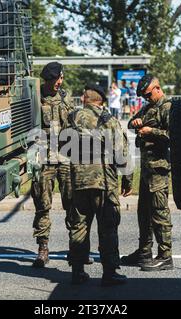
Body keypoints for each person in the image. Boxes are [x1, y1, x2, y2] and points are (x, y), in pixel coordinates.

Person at [68, 84, 133, 286]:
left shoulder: (73, 118)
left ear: (84, 99)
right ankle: (110, 272)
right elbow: (122, 153)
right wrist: (128, 179)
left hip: (79, 180)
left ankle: (77, 271)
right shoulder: (109, 120)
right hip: (104, 181)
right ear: (101, 101)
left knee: (78, 226)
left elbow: (62, 146)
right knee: (107, 228)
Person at [31, 62, 81, 268]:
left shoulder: (66, 97)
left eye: (59, 79)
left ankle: (76, 248)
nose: (58, 83)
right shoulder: (36, 97)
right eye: (54, 80)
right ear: (47, 80)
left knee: (73, 204)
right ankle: (43, 249)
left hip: (65, 159)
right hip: (43, 158)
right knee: (42, 205)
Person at [121, 75, 173, 272]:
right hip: (146, 170)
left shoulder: (167, 107)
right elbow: (130, 123)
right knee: (143, 213)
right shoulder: (149, 107)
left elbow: (172, 136)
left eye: (148, 94)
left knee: (160, 213)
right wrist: (136, 122)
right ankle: (144, 252)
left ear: (157, 88)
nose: (146, 98)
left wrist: (151, 131)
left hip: (158, 169)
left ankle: (165, 256)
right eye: (143, 96)